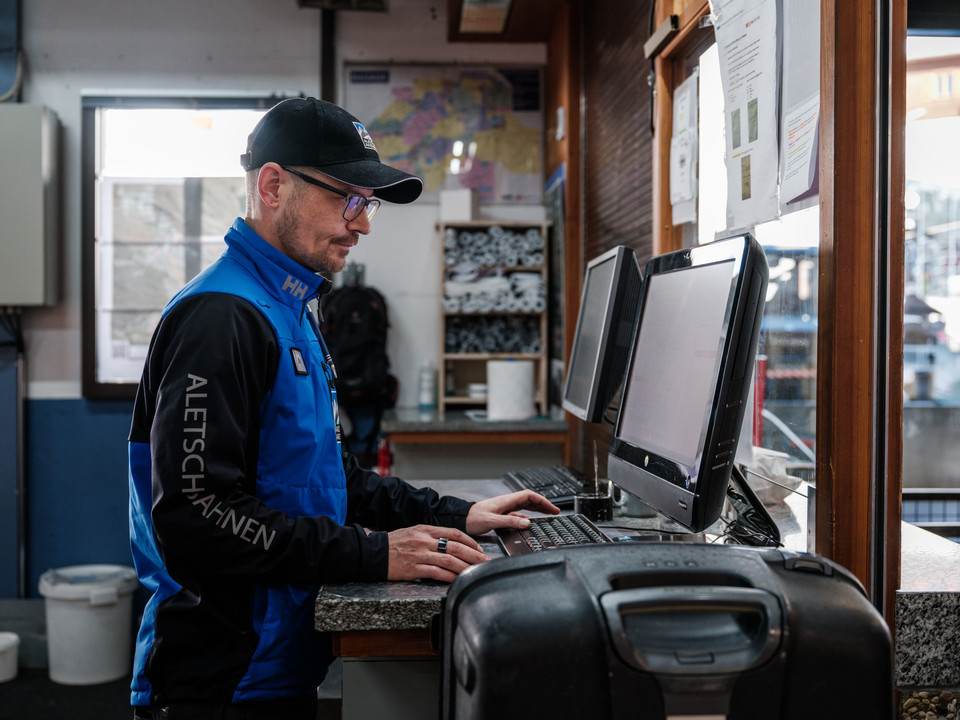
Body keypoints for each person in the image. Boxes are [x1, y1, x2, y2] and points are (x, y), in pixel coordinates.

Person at [127, 97, 559, 720]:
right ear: (274, 185)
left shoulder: (292, 308)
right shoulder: (221, 317)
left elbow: (328, 477)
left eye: (369, 203)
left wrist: (461, 515)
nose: (363, 224)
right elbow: (197, 513)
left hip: (277, 666)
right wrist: (375, 553)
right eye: (348, 199)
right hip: (220, 681)